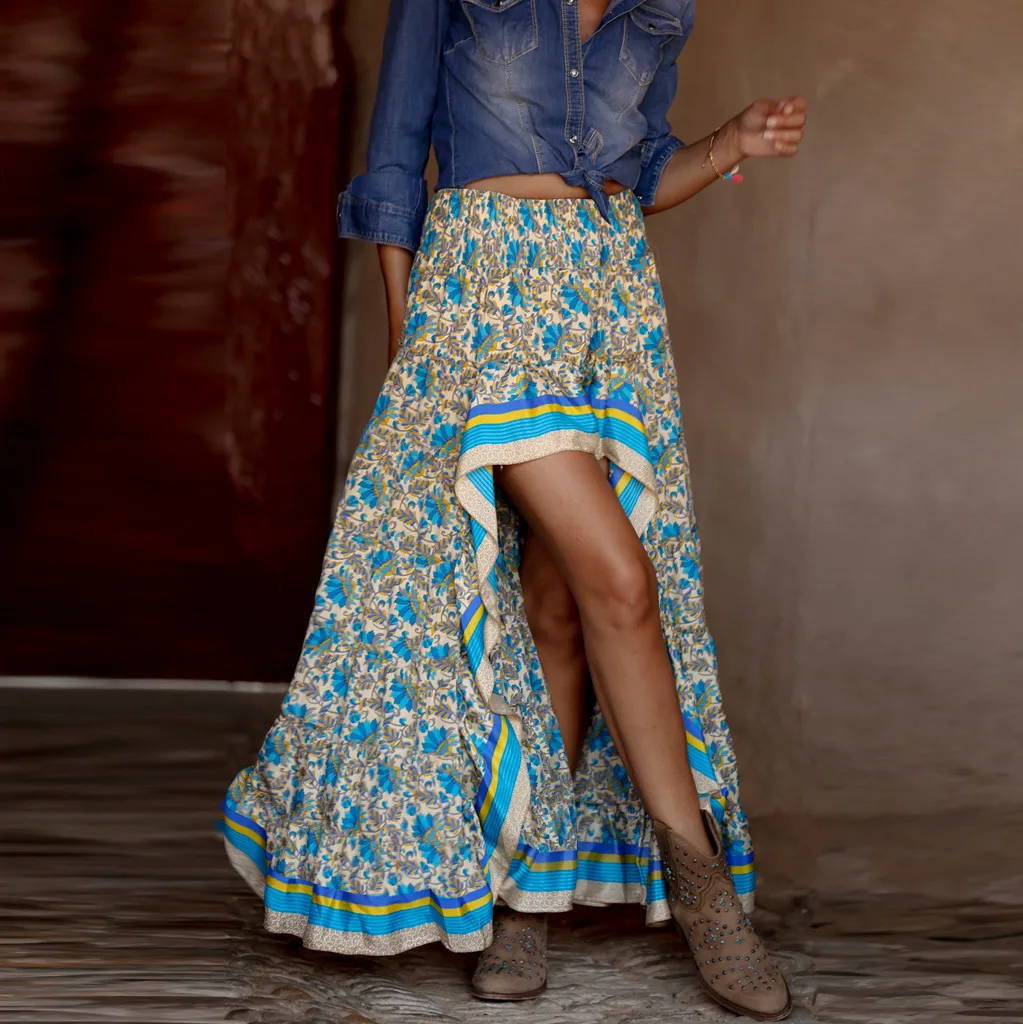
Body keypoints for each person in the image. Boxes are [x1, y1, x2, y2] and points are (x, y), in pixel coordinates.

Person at [220, 1, 806, 1019]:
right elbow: (395, 160)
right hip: (481, 300)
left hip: (608, 303)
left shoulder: (663, 6)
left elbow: (642, 169)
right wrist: (414, 347)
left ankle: (532, 890)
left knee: (557, 604)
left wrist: (729, 144)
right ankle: (703, 888)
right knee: (621, 580)